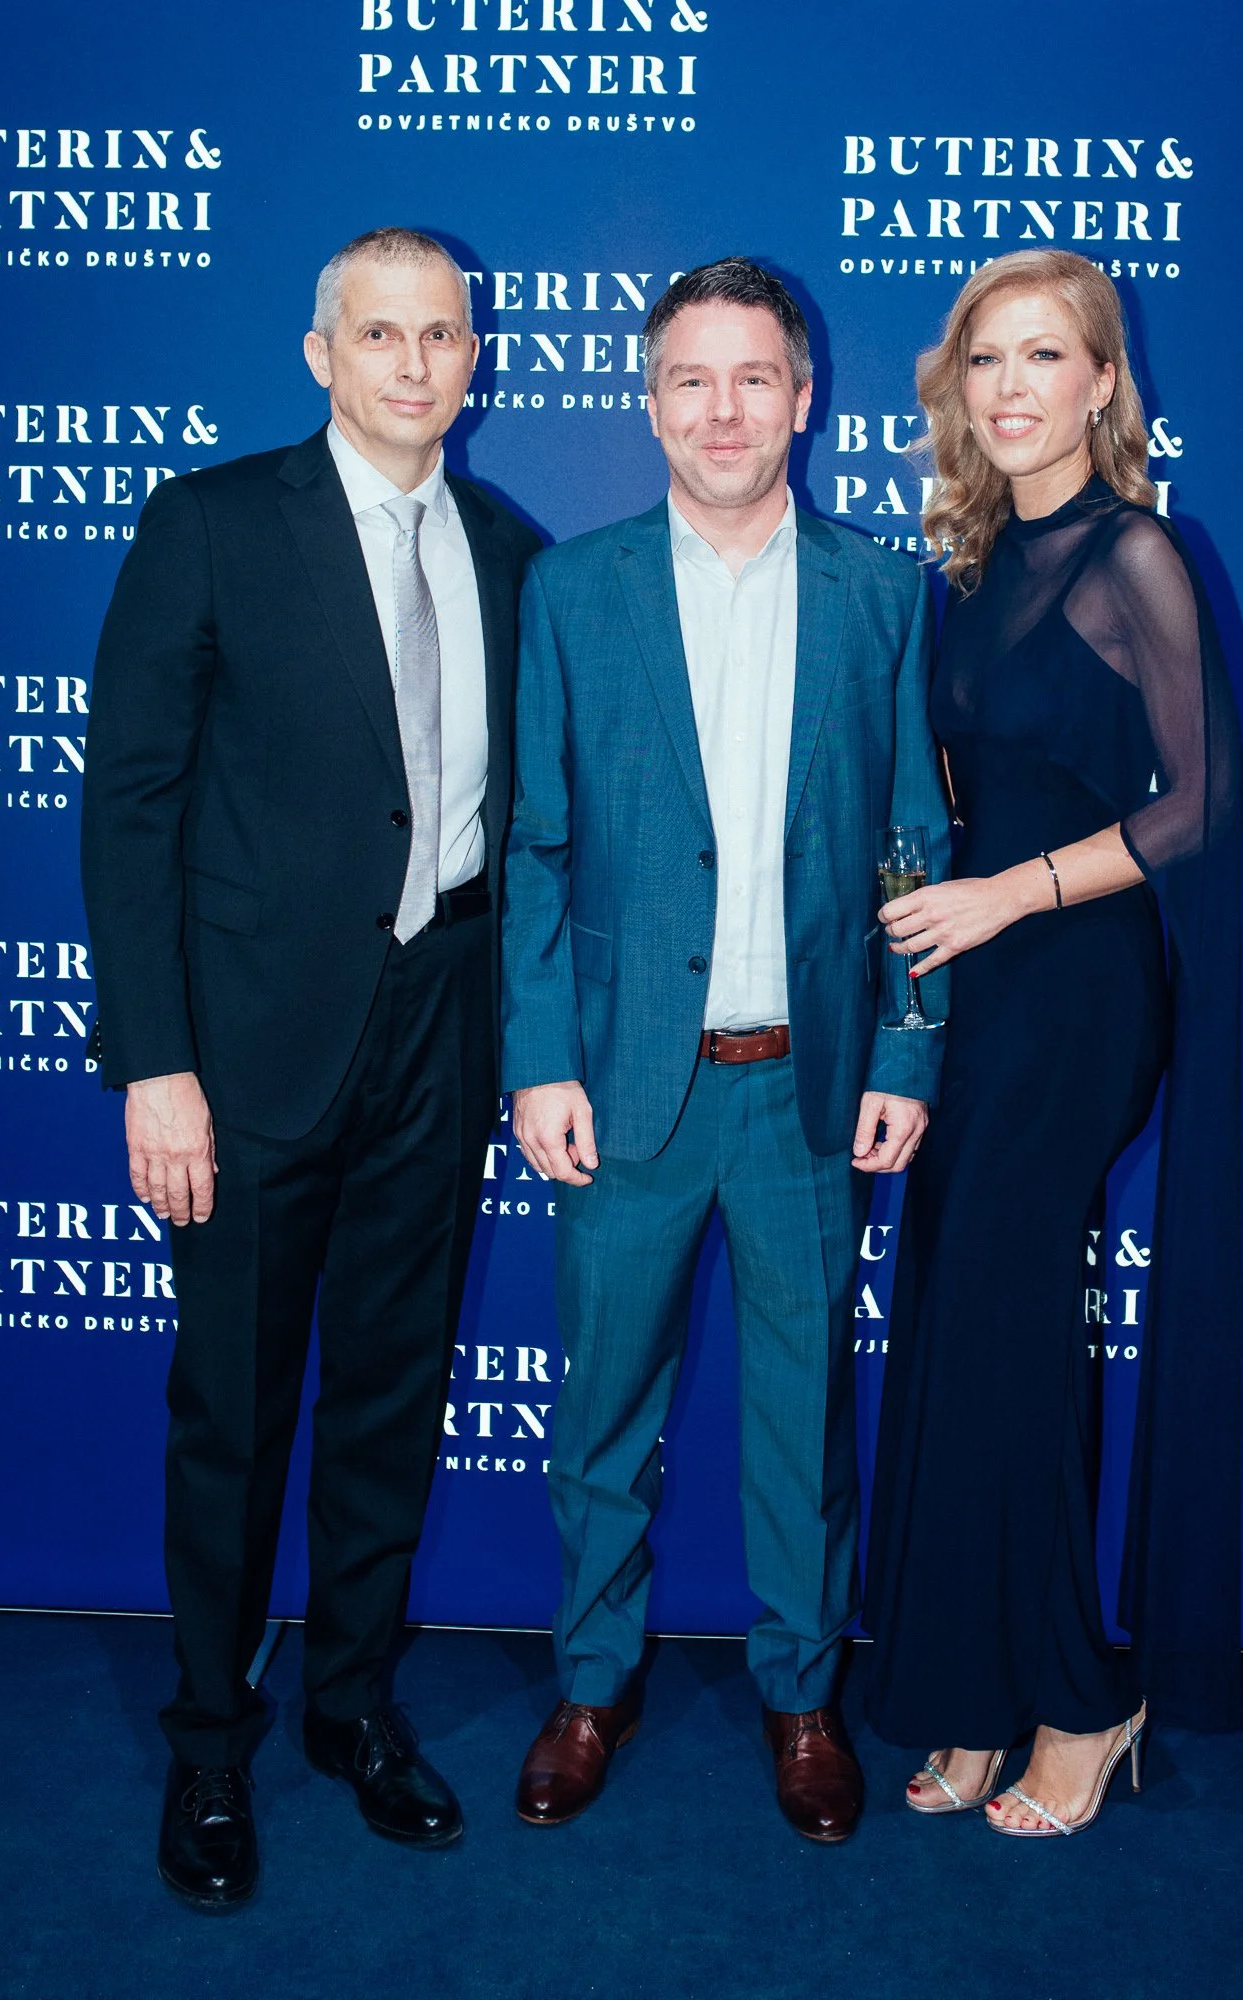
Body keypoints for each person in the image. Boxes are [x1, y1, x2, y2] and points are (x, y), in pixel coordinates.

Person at [81, 227, 541, 1908]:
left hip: (440, 1026)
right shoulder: (209, 523)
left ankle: (352, 1706)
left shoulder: (510, 550)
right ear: (320, 353)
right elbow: (129, 806)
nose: (415, 364)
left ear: (475, 357)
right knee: (234, 1409)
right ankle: (211, 1739)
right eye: (380, 334)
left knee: (391, 1395)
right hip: (251, 1048)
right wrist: (157, 1067)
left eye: (442, 335)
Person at [502, 258, 951, 1844]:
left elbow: (912, 846)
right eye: (690, 380)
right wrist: (539, 1059)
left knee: (801, 1422)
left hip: (806, 1094)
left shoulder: (882, 593)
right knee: (600, 1418)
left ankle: (802, 1695)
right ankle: (591, 1682)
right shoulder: (574, 589)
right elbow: (537, 846)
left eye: (753, 377)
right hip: (626, 1086)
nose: (722, 411)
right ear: (649, 402)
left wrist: (906, 1054)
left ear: (803, 397)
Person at [863, 249, 1243, 1837]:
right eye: (986, 358)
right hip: (977, 990)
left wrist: (1008, 893)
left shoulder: (1135, 553)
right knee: (963, 1333)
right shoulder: (966, 567)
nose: (1011, 386)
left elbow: (1199, 803)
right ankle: (974, 1687)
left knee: (1012, 1338)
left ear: (1101, 383)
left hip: (1079, 987)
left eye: (1043, 355)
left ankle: (1086, 1702)